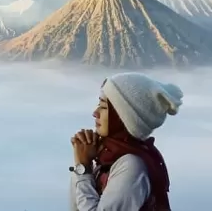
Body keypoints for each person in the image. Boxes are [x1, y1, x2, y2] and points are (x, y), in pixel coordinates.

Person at [68, 72, 183, 211]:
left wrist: (83, 169)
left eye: (104, 107)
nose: (95, 112)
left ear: (123, 117)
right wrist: (83, 164)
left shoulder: (132, 166)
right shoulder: (106, 159)